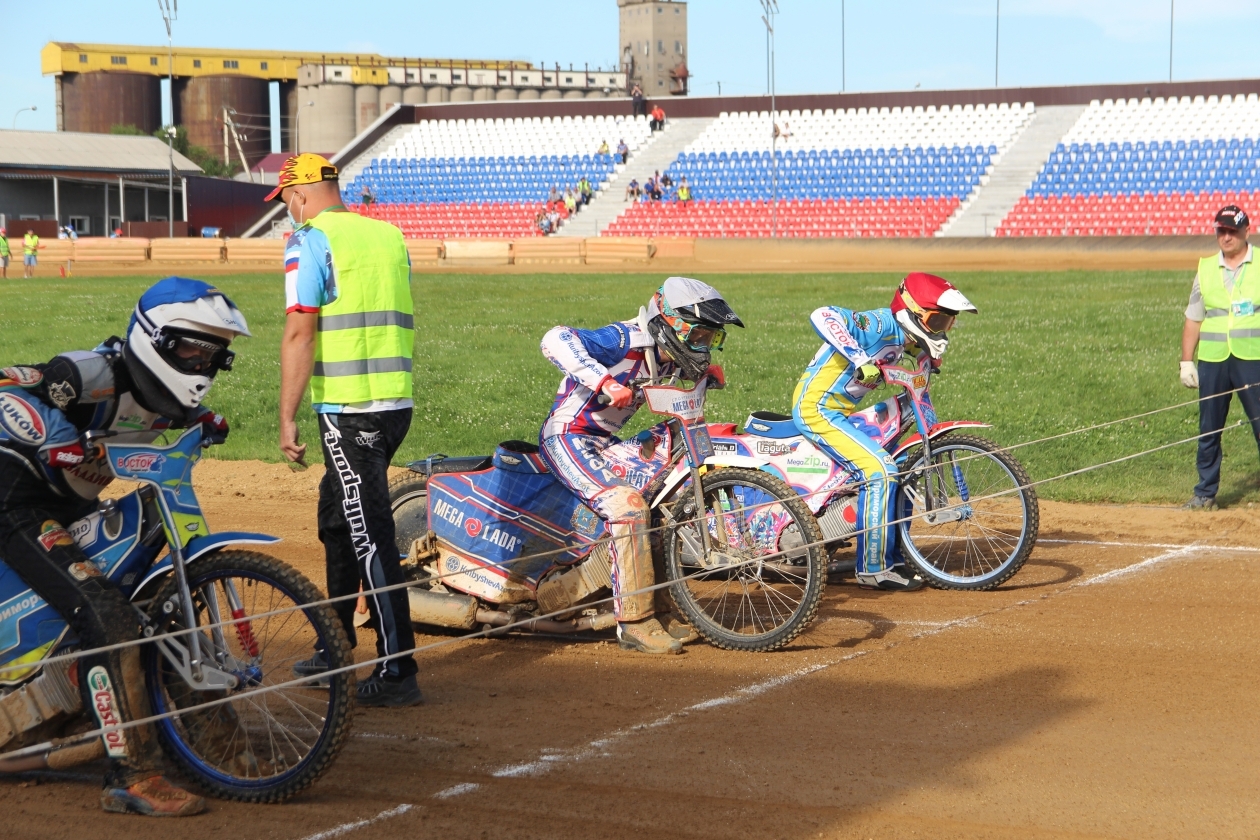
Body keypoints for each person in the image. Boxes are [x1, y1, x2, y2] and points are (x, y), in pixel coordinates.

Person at [0, 277, 250, 816]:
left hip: (68, 508)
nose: (201, 364)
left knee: (149, 603)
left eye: (213, 355)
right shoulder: (86, 376)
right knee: (107, 614)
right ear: (155, 340)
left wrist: (206, 422)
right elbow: (7, 385)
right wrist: (53, 435)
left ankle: (213, 739)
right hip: (13, 504)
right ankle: (131, 777)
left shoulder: (172, 398)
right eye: (190, 349)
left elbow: (171, 418)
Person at [271, 153, 422, 708]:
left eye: (286, 199)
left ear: (301, 193)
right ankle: (334, 644)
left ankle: (398, 667)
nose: (287, 210)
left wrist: (288, 416)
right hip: (394, 403)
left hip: (348, 409)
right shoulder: (387, 236)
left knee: (369, 534)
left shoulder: (309, 240)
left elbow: (299, 334)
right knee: (338, 518)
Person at [538, 278, 743, 655]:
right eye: (698, 336)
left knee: (662, 498)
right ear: (669, 323)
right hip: (566, 437)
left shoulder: (669, 357)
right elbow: (554, 339)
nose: (702, 347)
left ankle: (660, 608)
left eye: (711, 340)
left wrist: (703, 378)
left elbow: (676, 389)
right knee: (628, 506)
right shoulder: (625, 340)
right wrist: (603, 380)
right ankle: (634, 622)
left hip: (605, 442)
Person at [792, 272, 977, 590]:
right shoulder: (878, 325)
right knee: (880, 470)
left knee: (900, 469)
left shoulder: (907, 338)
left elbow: (911, 354)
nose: (942, 330)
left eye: (948, 323)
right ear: (911, 311)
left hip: (842, 413)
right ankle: (872, 569)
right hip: (817, 409)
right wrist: (857, 356)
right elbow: (822, 315)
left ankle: (896, 555)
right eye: (937, 321)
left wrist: (925, 358)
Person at [1180, 205, 1260, 509]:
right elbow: (1193, 316)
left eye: (1232, 230)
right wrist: (1187, 360)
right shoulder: (1205, 269)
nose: (1226, 236)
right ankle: (1204, 492)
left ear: (1246, 232)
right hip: (1214, 359)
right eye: (1221, 230)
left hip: (1252, 358)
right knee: (1210, 428)